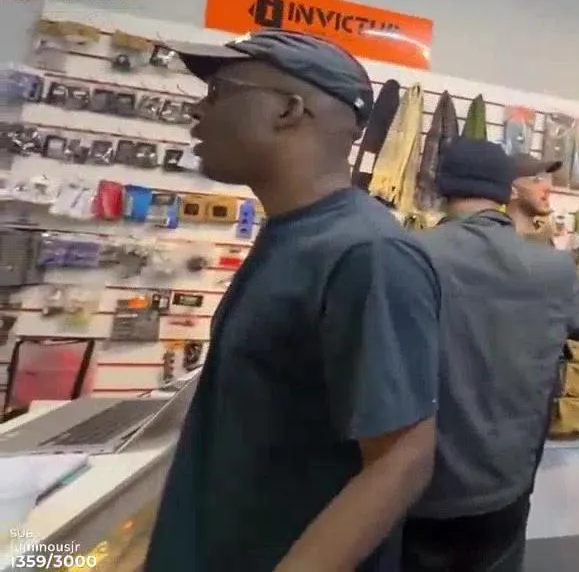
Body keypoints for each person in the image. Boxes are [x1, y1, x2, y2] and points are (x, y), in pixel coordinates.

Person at [145, 31, 440, 572]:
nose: (198, 109)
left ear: (288, 110)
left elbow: (403, 458)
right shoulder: (293, 234)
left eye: (220, 92)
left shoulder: (366, 253)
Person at [402, 138, 579, 572]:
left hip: (419, 481)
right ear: (504, 189)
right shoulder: (550, 267)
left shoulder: (411, 254)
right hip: (508, 477)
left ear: (443, 186)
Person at [507, 152, 560, 238]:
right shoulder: (497, 238)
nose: (549, 188)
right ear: (512, 192)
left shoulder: (543, 233)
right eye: (536, 180)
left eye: (546, 178)